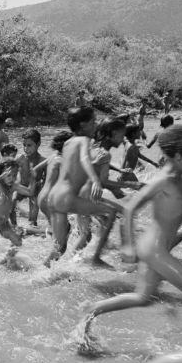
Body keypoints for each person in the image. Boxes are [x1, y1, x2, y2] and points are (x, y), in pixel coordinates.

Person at [79, 124, 182, 346]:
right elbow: (129, 208)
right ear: (177, 156)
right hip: (153, 249)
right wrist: (127, 245)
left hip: (159, 248)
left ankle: (92, 310)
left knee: (142, 298)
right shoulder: (162, 180)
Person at [44, 107, 116, 268]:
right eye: (93, 121)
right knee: (111, 212)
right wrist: (95, 180)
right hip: (66, 197)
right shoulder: (84, 141)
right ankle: (96, 257)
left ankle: (38, 277)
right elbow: (84, 159)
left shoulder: (68, 142)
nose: (96, 124)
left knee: (59, 248)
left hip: (54, 196)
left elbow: (74, 165)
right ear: (83, 125)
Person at [72, 118, 142, 268]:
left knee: (88, 232)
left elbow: (99, 163)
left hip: (79, 193)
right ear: (114, 133)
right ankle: (100, 257)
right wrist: (133, 184)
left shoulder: (93, 146)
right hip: (88, 196)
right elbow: (104, 182)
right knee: (121, 213)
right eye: (122, 135)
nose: (123, 138)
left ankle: (79, 259)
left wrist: (119, 170)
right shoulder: (105, 154)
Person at [0, 159, 32, 261]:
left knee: (18, 242)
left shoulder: (13, 186)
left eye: (14, 175)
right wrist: (1, 177)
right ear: (1, 175)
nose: (12, 179)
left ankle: (7, 259)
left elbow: (30, 192)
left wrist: (33, 178)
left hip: (4, 224)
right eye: (8, 175)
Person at [36, 130, 73, 237]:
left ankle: (35, 236)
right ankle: (27, 232)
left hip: (42, 197)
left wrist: (42, 181)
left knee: (59, 230)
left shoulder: (53, 156)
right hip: (49, 200)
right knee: (62, 232)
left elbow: (34, 170)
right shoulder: (61, 160)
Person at [12, 129, 46, 228]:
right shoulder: (20, 159)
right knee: (12, 200)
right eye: (24, 145)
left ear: (38, 144)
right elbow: (9, 172)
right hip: (22, 187)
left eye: (29, 145)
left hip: (35, 190)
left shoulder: (43, 161)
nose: (26, 148)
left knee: (34, 208)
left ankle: (32, 224)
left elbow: (47, 180)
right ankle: (14, 225)